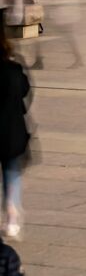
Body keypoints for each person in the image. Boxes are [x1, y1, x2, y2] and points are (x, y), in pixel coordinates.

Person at [0, 37, 29, 241]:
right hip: (11, 131)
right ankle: (11, 214)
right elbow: (25, 91)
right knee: (11, 172)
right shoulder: (14, 69)